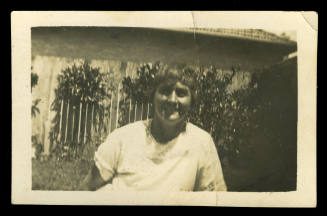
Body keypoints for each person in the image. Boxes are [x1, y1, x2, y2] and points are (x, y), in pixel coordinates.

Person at [80, 64, 227, 191]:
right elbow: (86, 188)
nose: (172, 100)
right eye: (165, 91)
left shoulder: (201, 143)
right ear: (152, 96)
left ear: (192, 100)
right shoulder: (123, 138)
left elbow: (214, 199)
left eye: (181, 93)